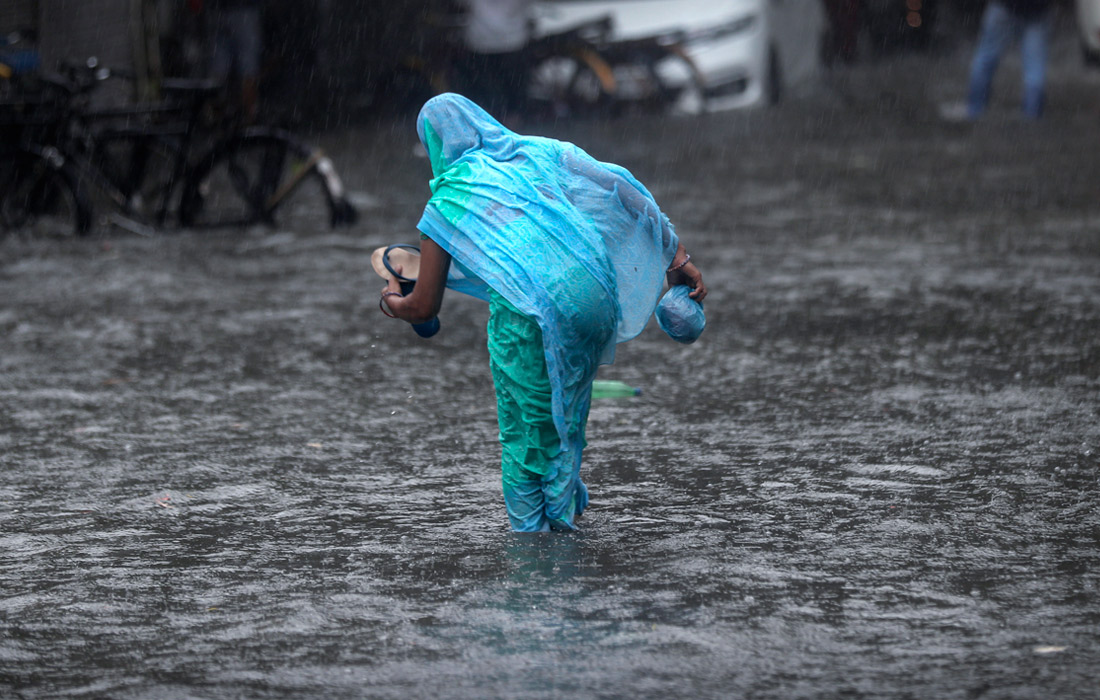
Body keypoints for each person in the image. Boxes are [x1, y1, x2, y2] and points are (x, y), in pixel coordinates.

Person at [380, 93, 707, 532]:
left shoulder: (448, 200)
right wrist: (677, 258)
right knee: (564, 422)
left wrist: (389, 300)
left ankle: (537, 560)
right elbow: (621, 187)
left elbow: (423, 306)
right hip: (596, 294)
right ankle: (565, 526)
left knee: (524, 439)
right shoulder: (536, 150)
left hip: (534, 314)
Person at [965, 0, 1053, 119]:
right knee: (1035, 68)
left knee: (985, 60)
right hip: (1037, 10)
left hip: (1005, 7)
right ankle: (1032, 115)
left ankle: (975, 110)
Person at [458, 0, 534, 122]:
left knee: (487, 85)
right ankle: (510, 119)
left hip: (481, 41)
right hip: (513, 40)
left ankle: (492, 118)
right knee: (511, 85)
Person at [203, 0, 263, 123]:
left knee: (220, 71)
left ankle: (220, 119)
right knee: (246, 69)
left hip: (221, 11)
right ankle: (248, 119)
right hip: (240, 11)